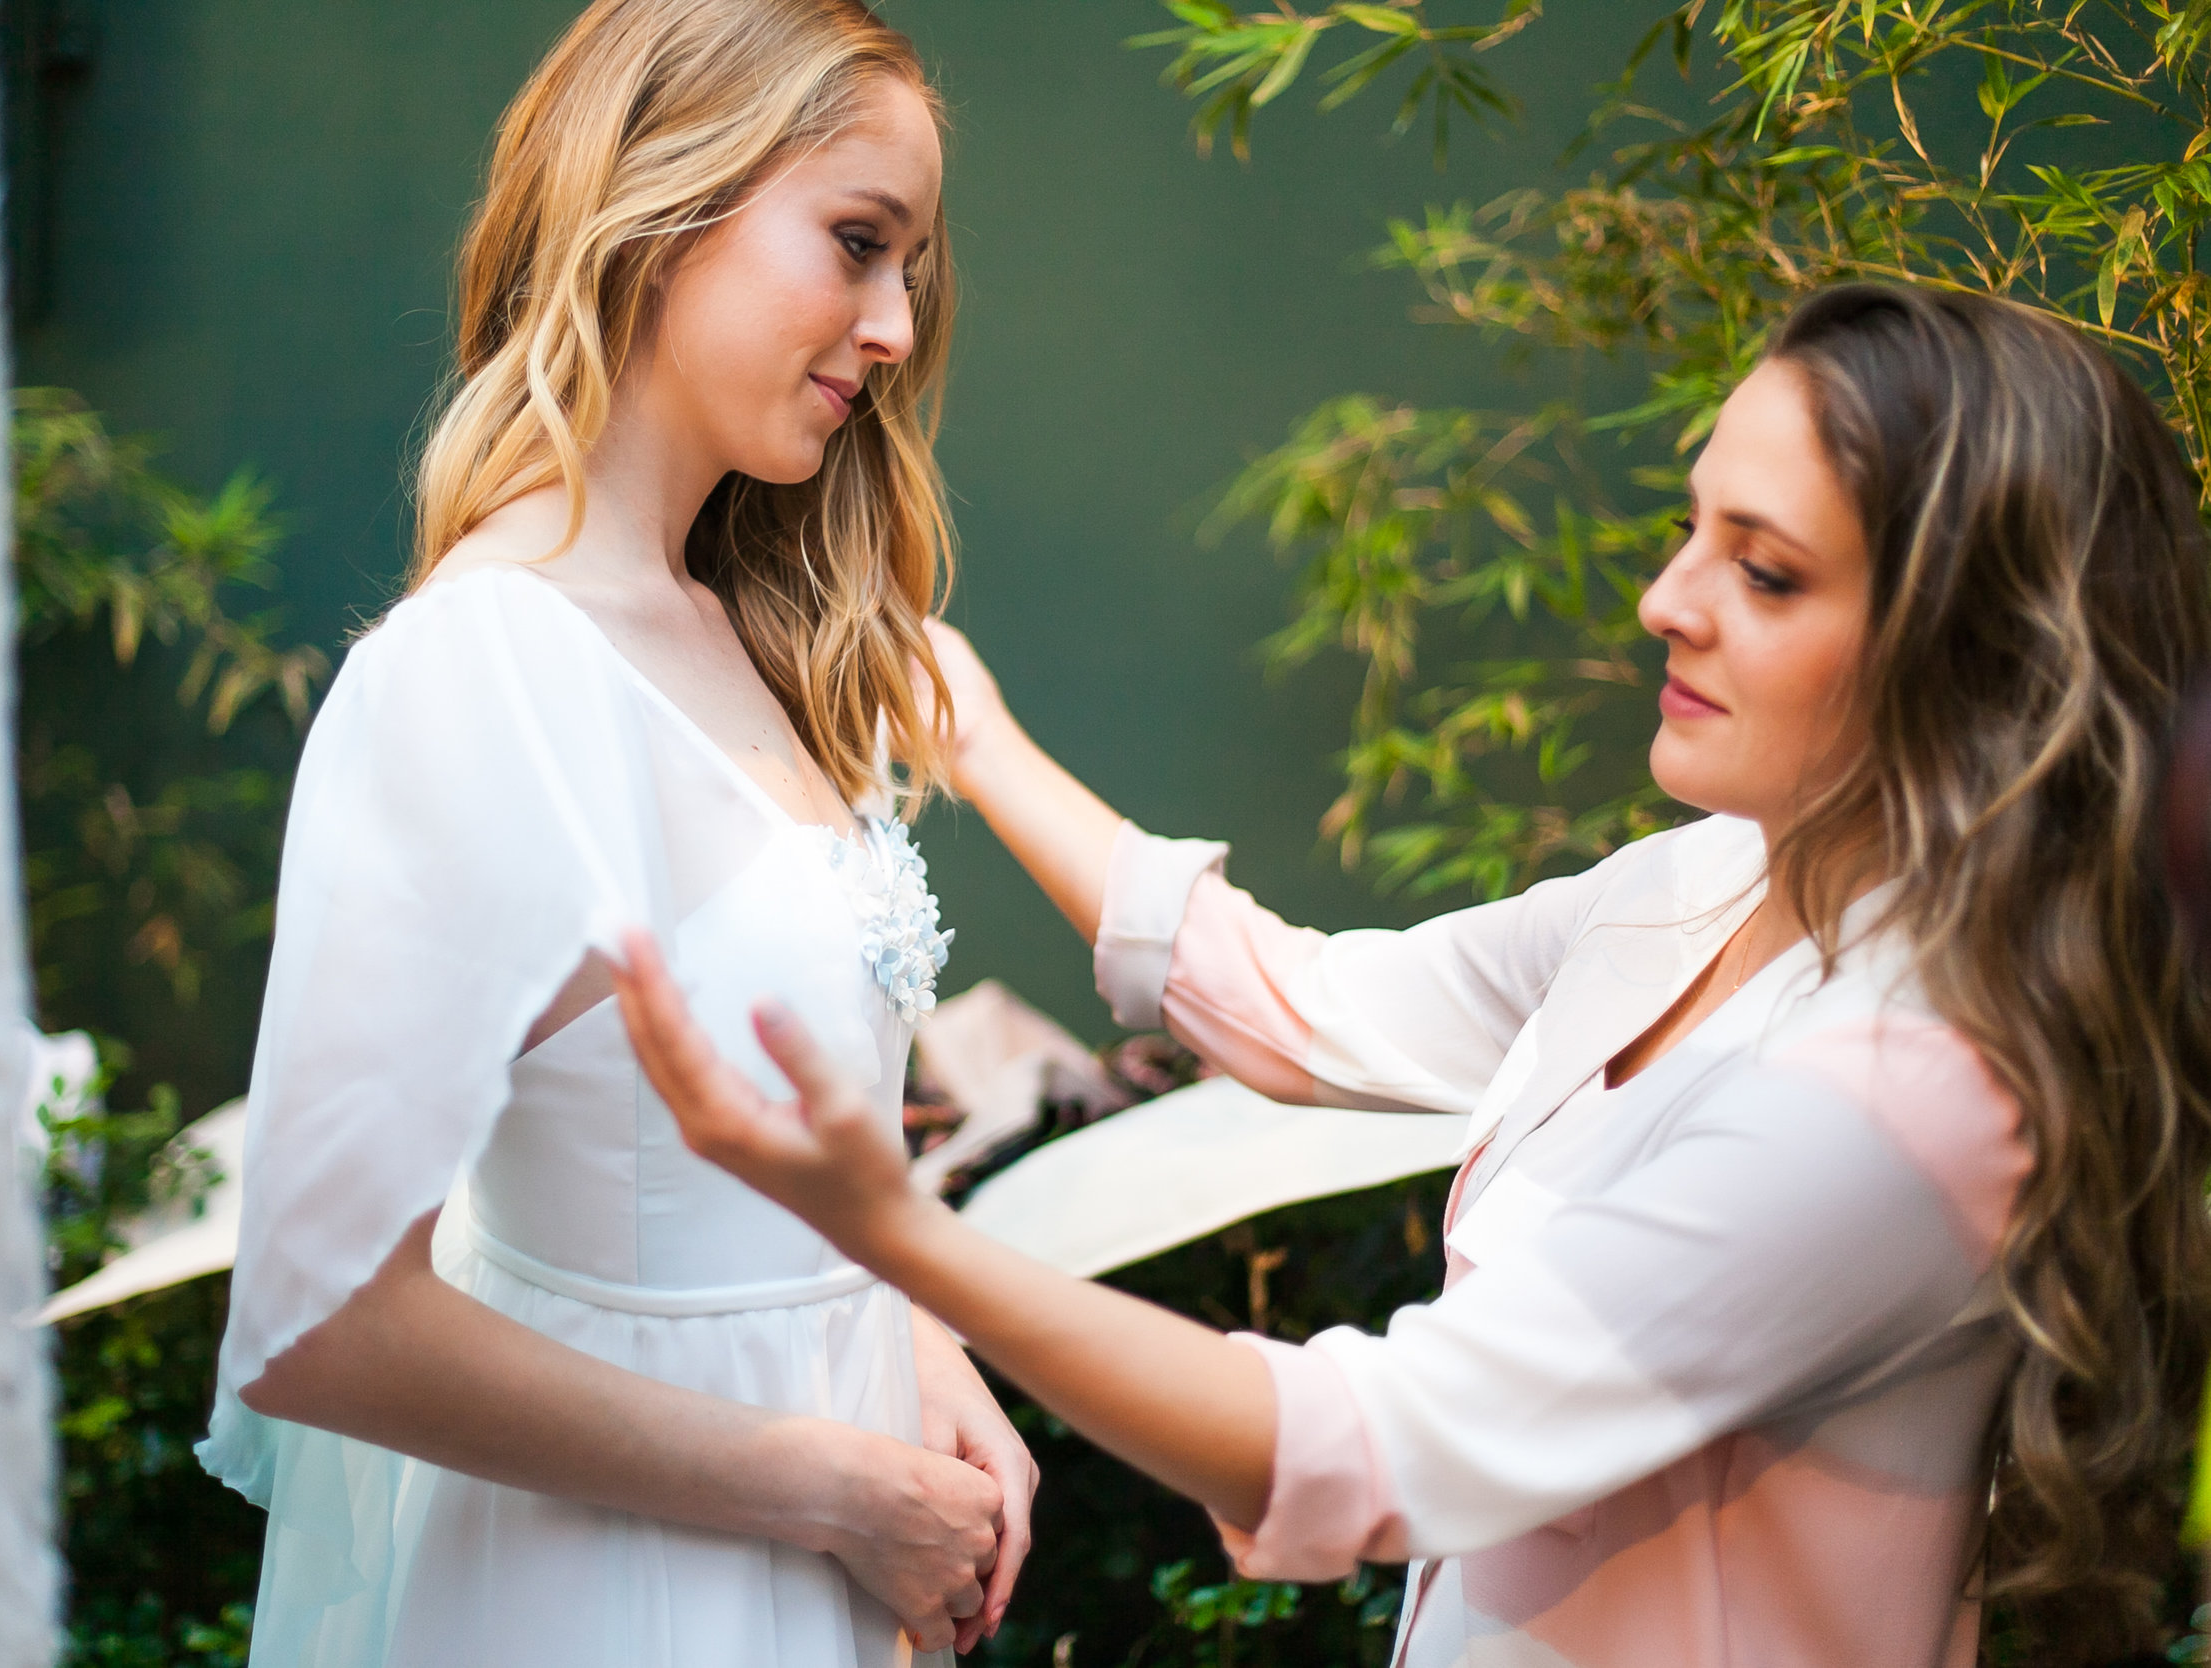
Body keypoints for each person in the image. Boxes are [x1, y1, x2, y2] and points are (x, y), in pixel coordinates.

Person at [612, 283, 2211, 1665]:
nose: (1668, 601)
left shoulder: (1902, 1105)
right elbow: (1305, 1007)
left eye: (1768, 573)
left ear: (1975, 651)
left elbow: (1372, 1446)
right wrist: (975, 738)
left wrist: (893, 1236)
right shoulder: (1714, 878)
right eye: (1691, 528)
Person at [193, 3, 1035, 1662]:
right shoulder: (481, 672)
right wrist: (830, 1492)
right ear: (662, 199)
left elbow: (787, 1181)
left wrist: (920, 1357)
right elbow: (318, 1325)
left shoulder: (753, 634)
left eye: (912, 267)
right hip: (612, 1595)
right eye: (857, 245)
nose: (891, 325)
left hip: (824, 1574)